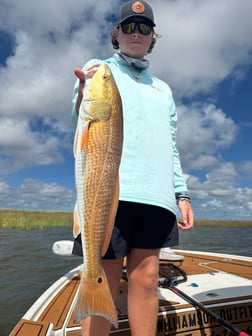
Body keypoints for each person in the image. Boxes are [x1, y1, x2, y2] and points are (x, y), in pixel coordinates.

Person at [71, 1, 194, 335]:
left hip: (156, 194)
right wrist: (82, 95)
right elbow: (81, 115)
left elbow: (170, 145)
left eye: (144, 27)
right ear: (116, 32)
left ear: (153, 36)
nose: (136, 32)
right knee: (104, 276)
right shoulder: (100, 69)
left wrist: (180, 192)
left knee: (148, 279)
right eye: (128, 26)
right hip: (109, 189)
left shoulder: (163, 89)